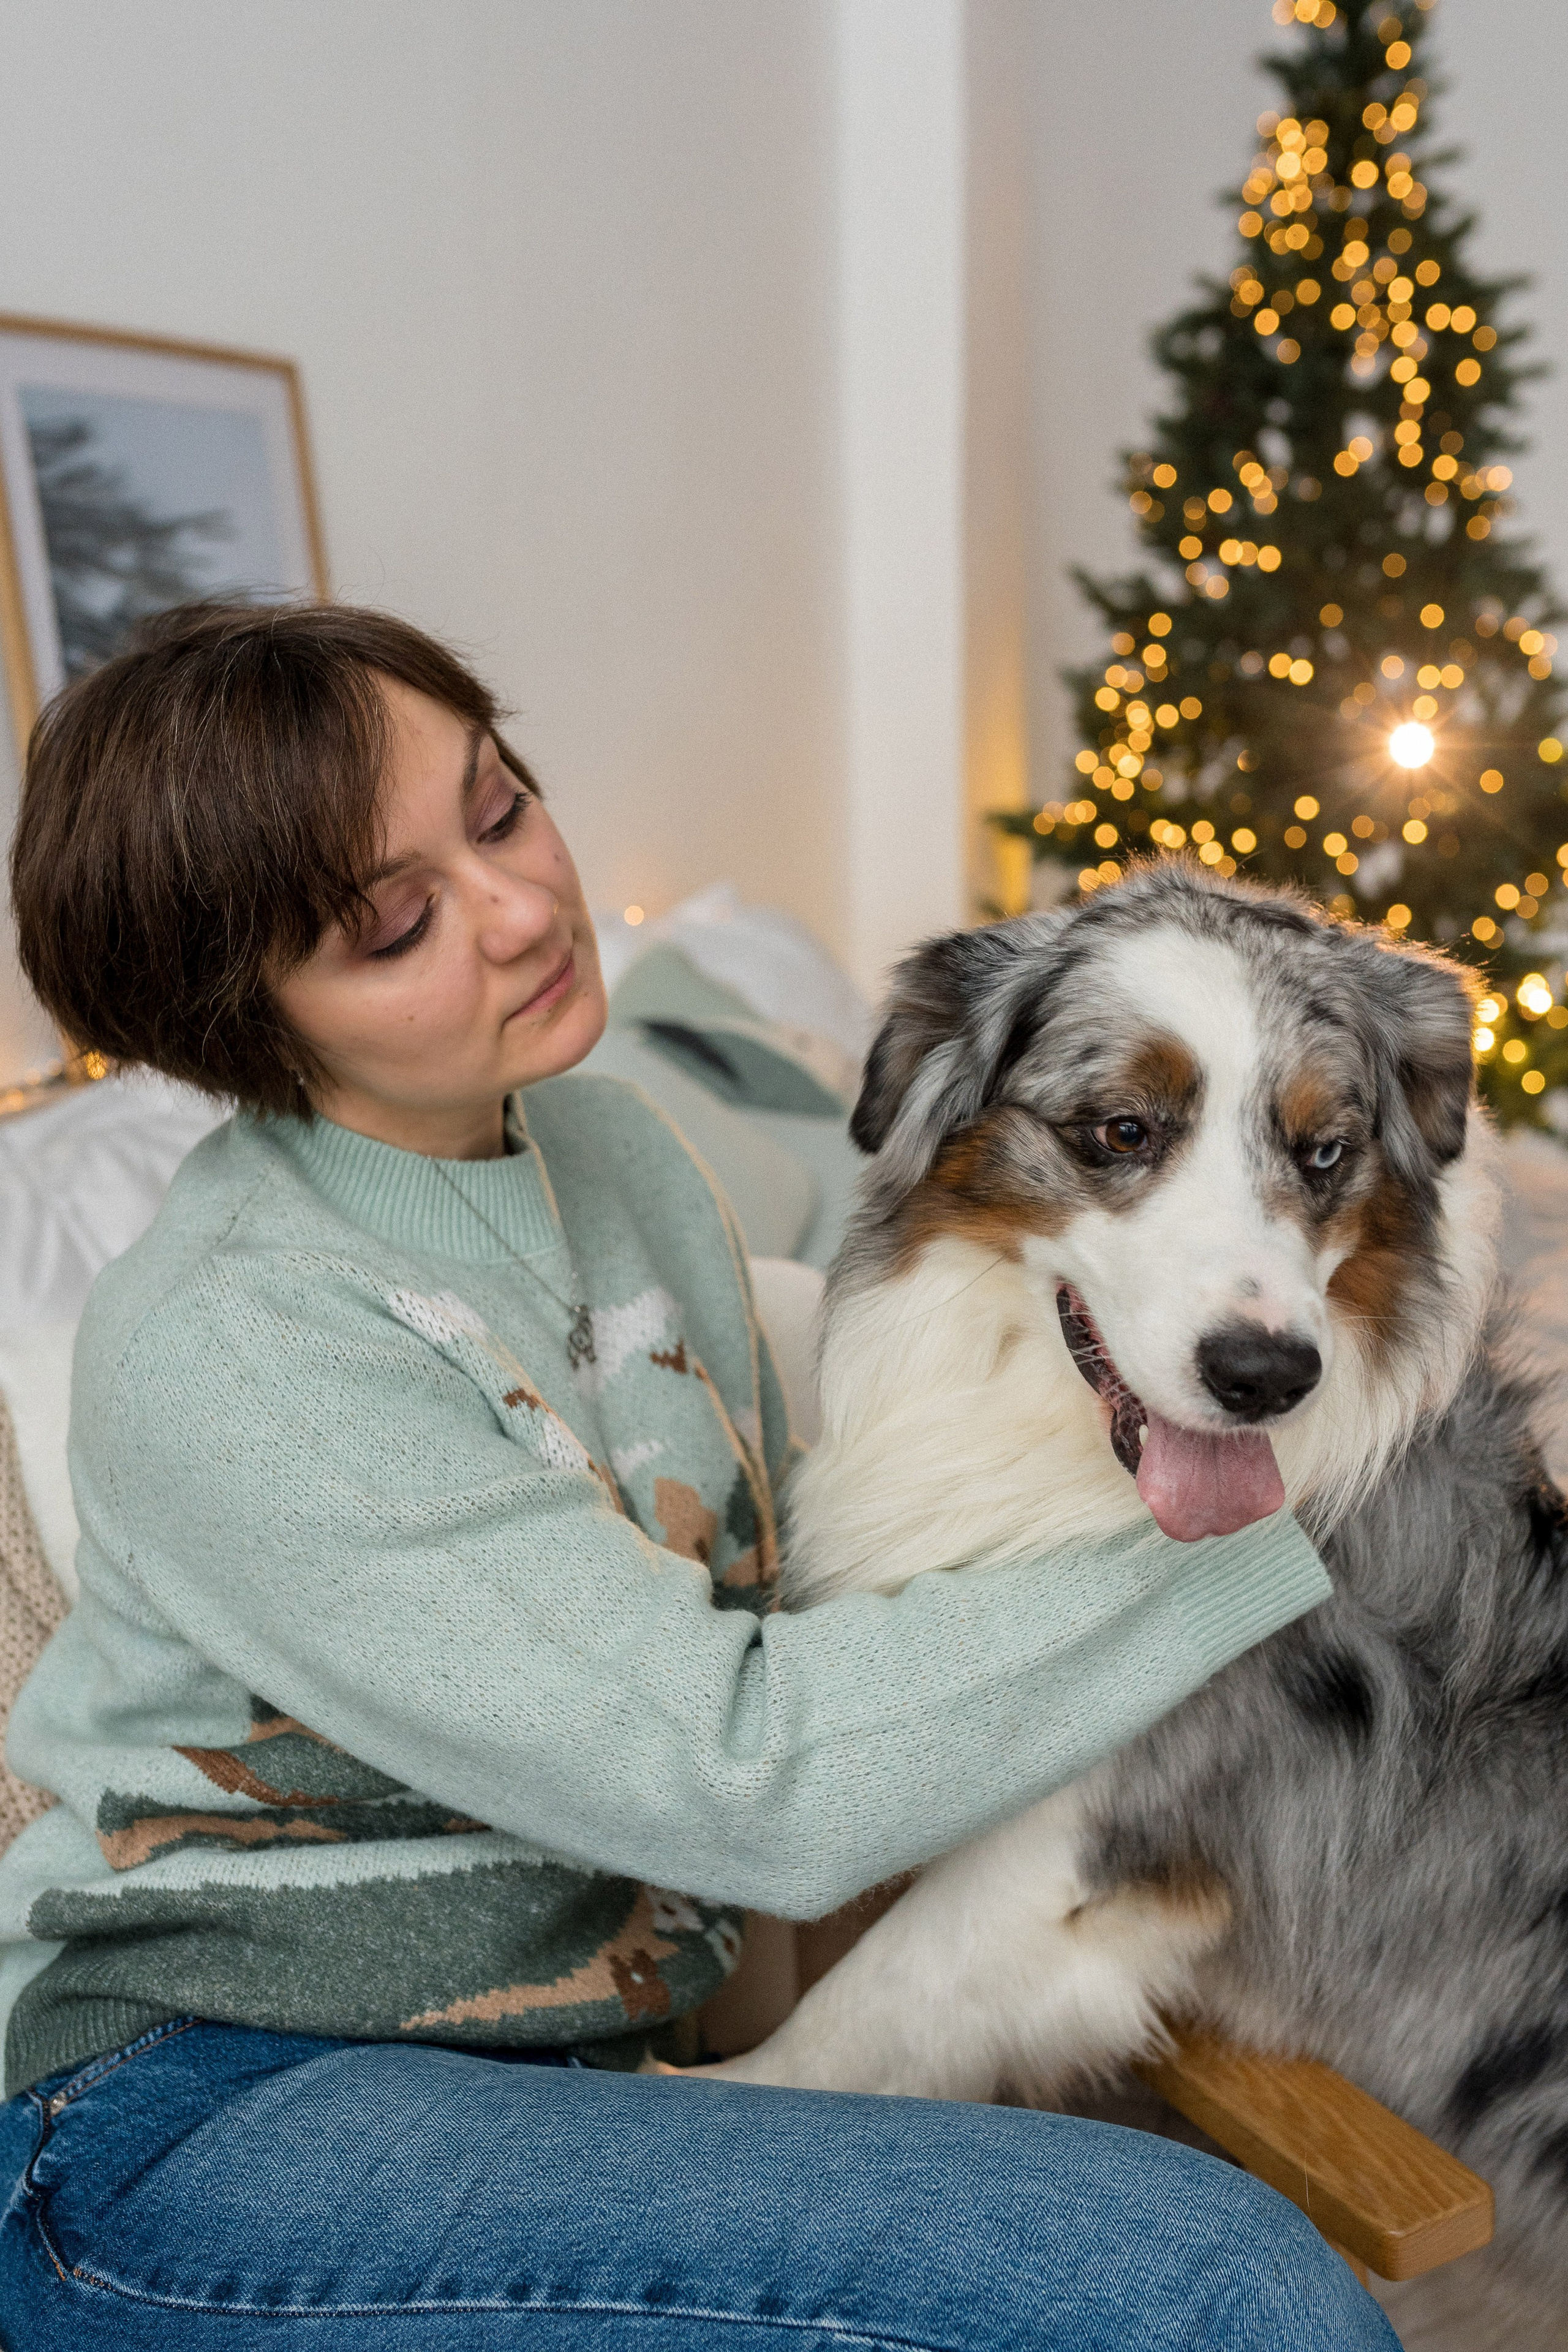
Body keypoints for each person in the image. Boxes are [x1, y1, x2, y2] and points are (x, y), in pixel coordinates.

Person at [0, 601, 1392, 2348]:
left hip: (575, 2073)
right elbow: (751, 1777)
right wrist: (1272, 1513)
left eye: (499, 809)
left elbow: (793, 1473)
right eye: (394, 923)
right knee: (1203, 2280)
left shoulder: (605, 1140)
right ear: (243, 1019)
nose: (522, 912)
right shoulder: (238, 1346)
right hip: (202, 2113)